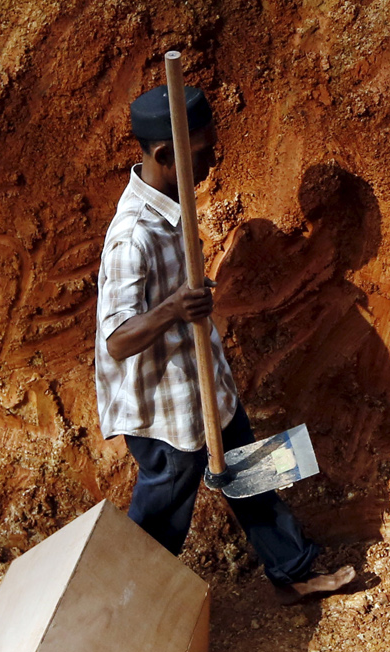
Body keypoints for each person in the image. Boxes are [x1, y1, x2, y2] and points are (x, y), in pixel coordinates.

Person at [95, 83, 354, 603]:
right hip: (165, 418)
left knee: (253, 470)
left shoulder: (175, 204)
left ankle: (293, 569)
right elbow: (118, 341)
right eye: (204, 153)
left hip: (205, 388)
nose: (214, 161)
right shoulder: (131, 237)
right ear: (166, 155)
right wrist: (173, 309)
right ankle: (122, 605)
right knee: (159, 518)